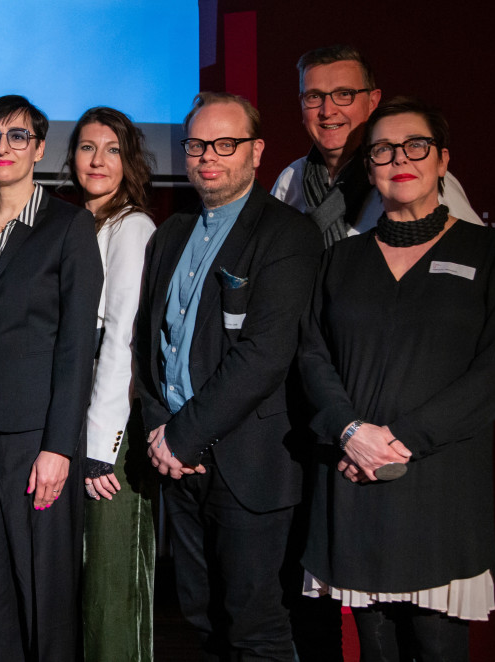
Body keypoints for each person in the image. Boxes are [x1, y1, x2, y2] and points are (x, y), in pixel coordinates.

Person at [298, 97, 495, 661]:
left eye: (416, 146)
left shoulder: (488, 252)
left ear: (443, 160)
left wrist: (400, 439)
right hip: (353, 476)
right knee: (376, 648)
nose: (399, 159)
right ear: (369, 168)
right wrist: (351, 432)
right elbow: (312, 356)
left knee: (437, 647)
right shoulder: (339, 260)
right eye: (383, 150)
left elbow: (491, 372)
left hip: (440, 485)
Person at [135, 92, 322, 660]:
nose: (208, 156)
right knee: (202, 618)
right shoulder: (170, 233)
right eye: (197, 145)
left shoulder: (288, 234)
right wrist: (160, 429)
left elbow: (264, 355)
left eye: (225, 143)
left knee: (255, 627)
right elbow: (149, 345)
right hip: (178, 462)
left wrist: (181, 436)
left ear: (256, 151)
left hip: (249, 462)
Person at [0, 95, 103, 662]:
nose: (3, 147)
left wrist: (58, 448)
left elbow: (77, 346)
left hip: (37, 442)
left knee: (46, 596)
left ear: (38, 149)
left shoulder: (69, 225)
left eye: (18, 137)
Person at [63, 106, 157, 661]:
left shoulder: (132, 226)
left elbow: (122, 335)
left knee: (111, 583)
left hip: (112, 431)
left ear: (130, 161)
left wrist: (100, 448)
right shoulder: (78, 223)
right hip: (75, 414)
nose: (97, 160)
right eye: (87, 147)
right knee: (81, 578)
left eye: (112, 149)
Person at [271, 44, 481, 247]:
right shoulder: (291, 179)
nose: (327, 111)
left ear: (372, 101)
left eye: (344, 94)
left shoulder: (417, 179)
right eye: (314, 96)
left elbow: (476, 252)